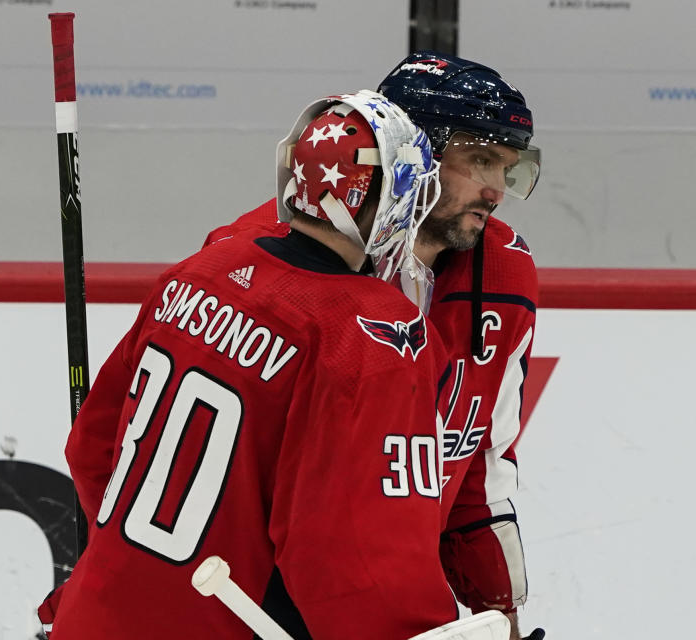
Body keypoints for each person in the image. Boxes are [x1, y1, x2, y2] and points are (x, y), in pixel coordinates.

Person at [43, 90, 485, 639]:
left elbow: (92, 451)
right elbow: (353, 551)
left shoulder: (199, 271)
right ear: (390, 194)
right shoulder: (373, 331)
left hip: (95, 615)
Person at [203, 52, 543, 640]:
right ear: (410, 151)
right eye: (481, 159)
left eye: (509, 168)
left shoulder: (506, 274)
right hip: (250, 601)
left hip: (389, 605)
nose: (496, 190)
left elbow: (482, 469)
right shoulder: (261, 259)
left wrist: (501, 615)